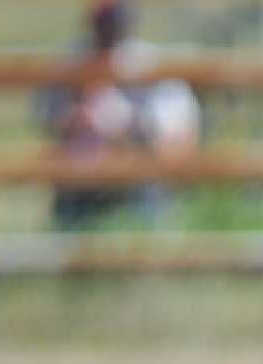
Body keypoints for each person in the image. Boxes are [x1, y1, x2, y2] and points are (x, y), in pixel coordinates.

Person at [34, 1, 200, 229]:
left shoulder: (149, 64)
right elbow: (47, 117)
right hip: (82, 185)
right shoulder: (71, 62)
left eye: (113, 21)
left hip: (138, 184)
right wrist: (76, 119)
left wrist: (127, 123)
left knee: (147, 209)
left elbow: (177, 134)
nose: (108, 29)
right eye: (104, 22)